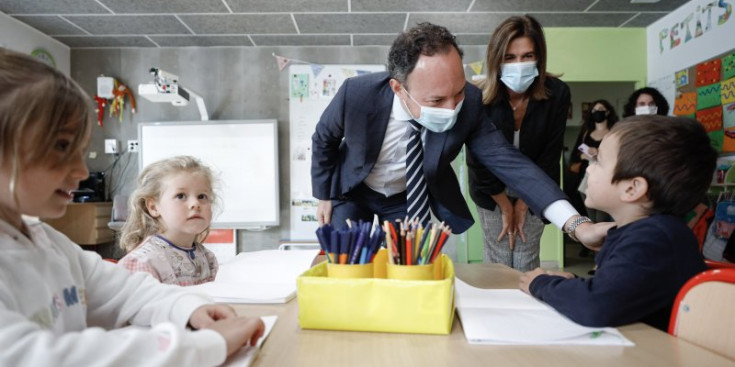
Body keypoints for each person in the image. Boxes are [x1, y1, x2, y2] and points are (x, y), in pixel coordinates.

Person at [0, 48, 264, 366]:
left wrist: (189, 309)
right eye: (61, 146)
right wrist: (207, 345)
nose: (82, 171)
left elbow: (127, 292)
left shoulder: (49, 243)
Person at [311, 22, 611, 252]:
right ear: (398, 88)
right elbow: (324, 139)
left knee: (410, 265)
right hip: (353, 189)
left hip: (406, 198)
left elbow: (510, 163)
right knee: (346, 258)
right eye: (436, 100)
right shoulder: (356, 94)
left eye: (456, 93)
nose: (452, 107)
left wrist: (577, 225)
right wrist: (323, 194)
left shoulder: (470, 101)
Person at [519, 116, 714, 331]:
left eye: (598, 161)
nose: (589, 169)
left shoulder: (654, 238)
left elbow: (597, 305)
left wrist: (541, 285)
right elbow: (623, 290)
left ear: (632, 189)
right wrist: (572, 283)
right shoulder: (645, 231)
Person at [467, 15, 571, 271]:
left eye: (527, 56)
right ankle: (498, 311)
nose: (519, 64)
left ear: (539, 57)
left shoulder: (557, 93)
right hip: (490, 188)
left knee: (525, 256)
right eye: (510, 58)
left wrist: (525, 203)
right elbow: (477, 158)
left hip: (537, 184)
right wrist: (504, 205)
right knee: (499, 257)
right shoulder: (476, 97)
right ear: (496, 60)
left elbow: (550, 153)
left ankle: (529, 308)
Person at [118, 156, 219, 286]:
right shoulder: (142, 263)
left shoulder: (207, 258)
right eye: (181, 196)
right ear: (153, 207)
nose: (195, 204)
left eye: (202, 196)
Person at [569, 99, 619, 223]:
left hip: (606, 179)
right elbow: (575, 155)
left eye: (601, 110)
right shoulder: (586, 133)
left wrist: (599, 152)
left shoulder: (614, 133)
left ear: (608, 112)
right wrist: (585, 156)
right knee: (590, 218)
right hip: (585, 181)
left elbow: (619, 155)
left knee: (602, 218)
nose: (598, 112)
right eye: (595, 110)